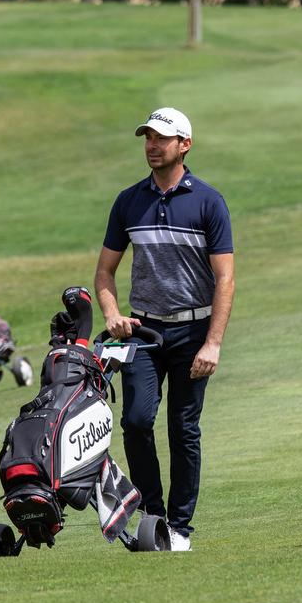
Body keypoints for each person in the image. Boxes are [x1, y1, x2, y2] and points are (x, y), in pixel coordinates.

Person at [94, 107, 235, 552]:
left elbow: (225, 279)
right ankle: (153, 515)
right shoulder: (128, 201)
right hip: (145, 333)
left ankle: (180, 529)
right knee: (136, 422)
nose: (152, 146)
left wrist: (213, 343)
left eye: (161, 139)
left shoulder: (208, 201)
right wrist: (112, 313)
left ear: (184, 145)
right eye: (147, 139)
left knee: (183, 430)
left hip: (194, 333)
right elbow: (104, 273)